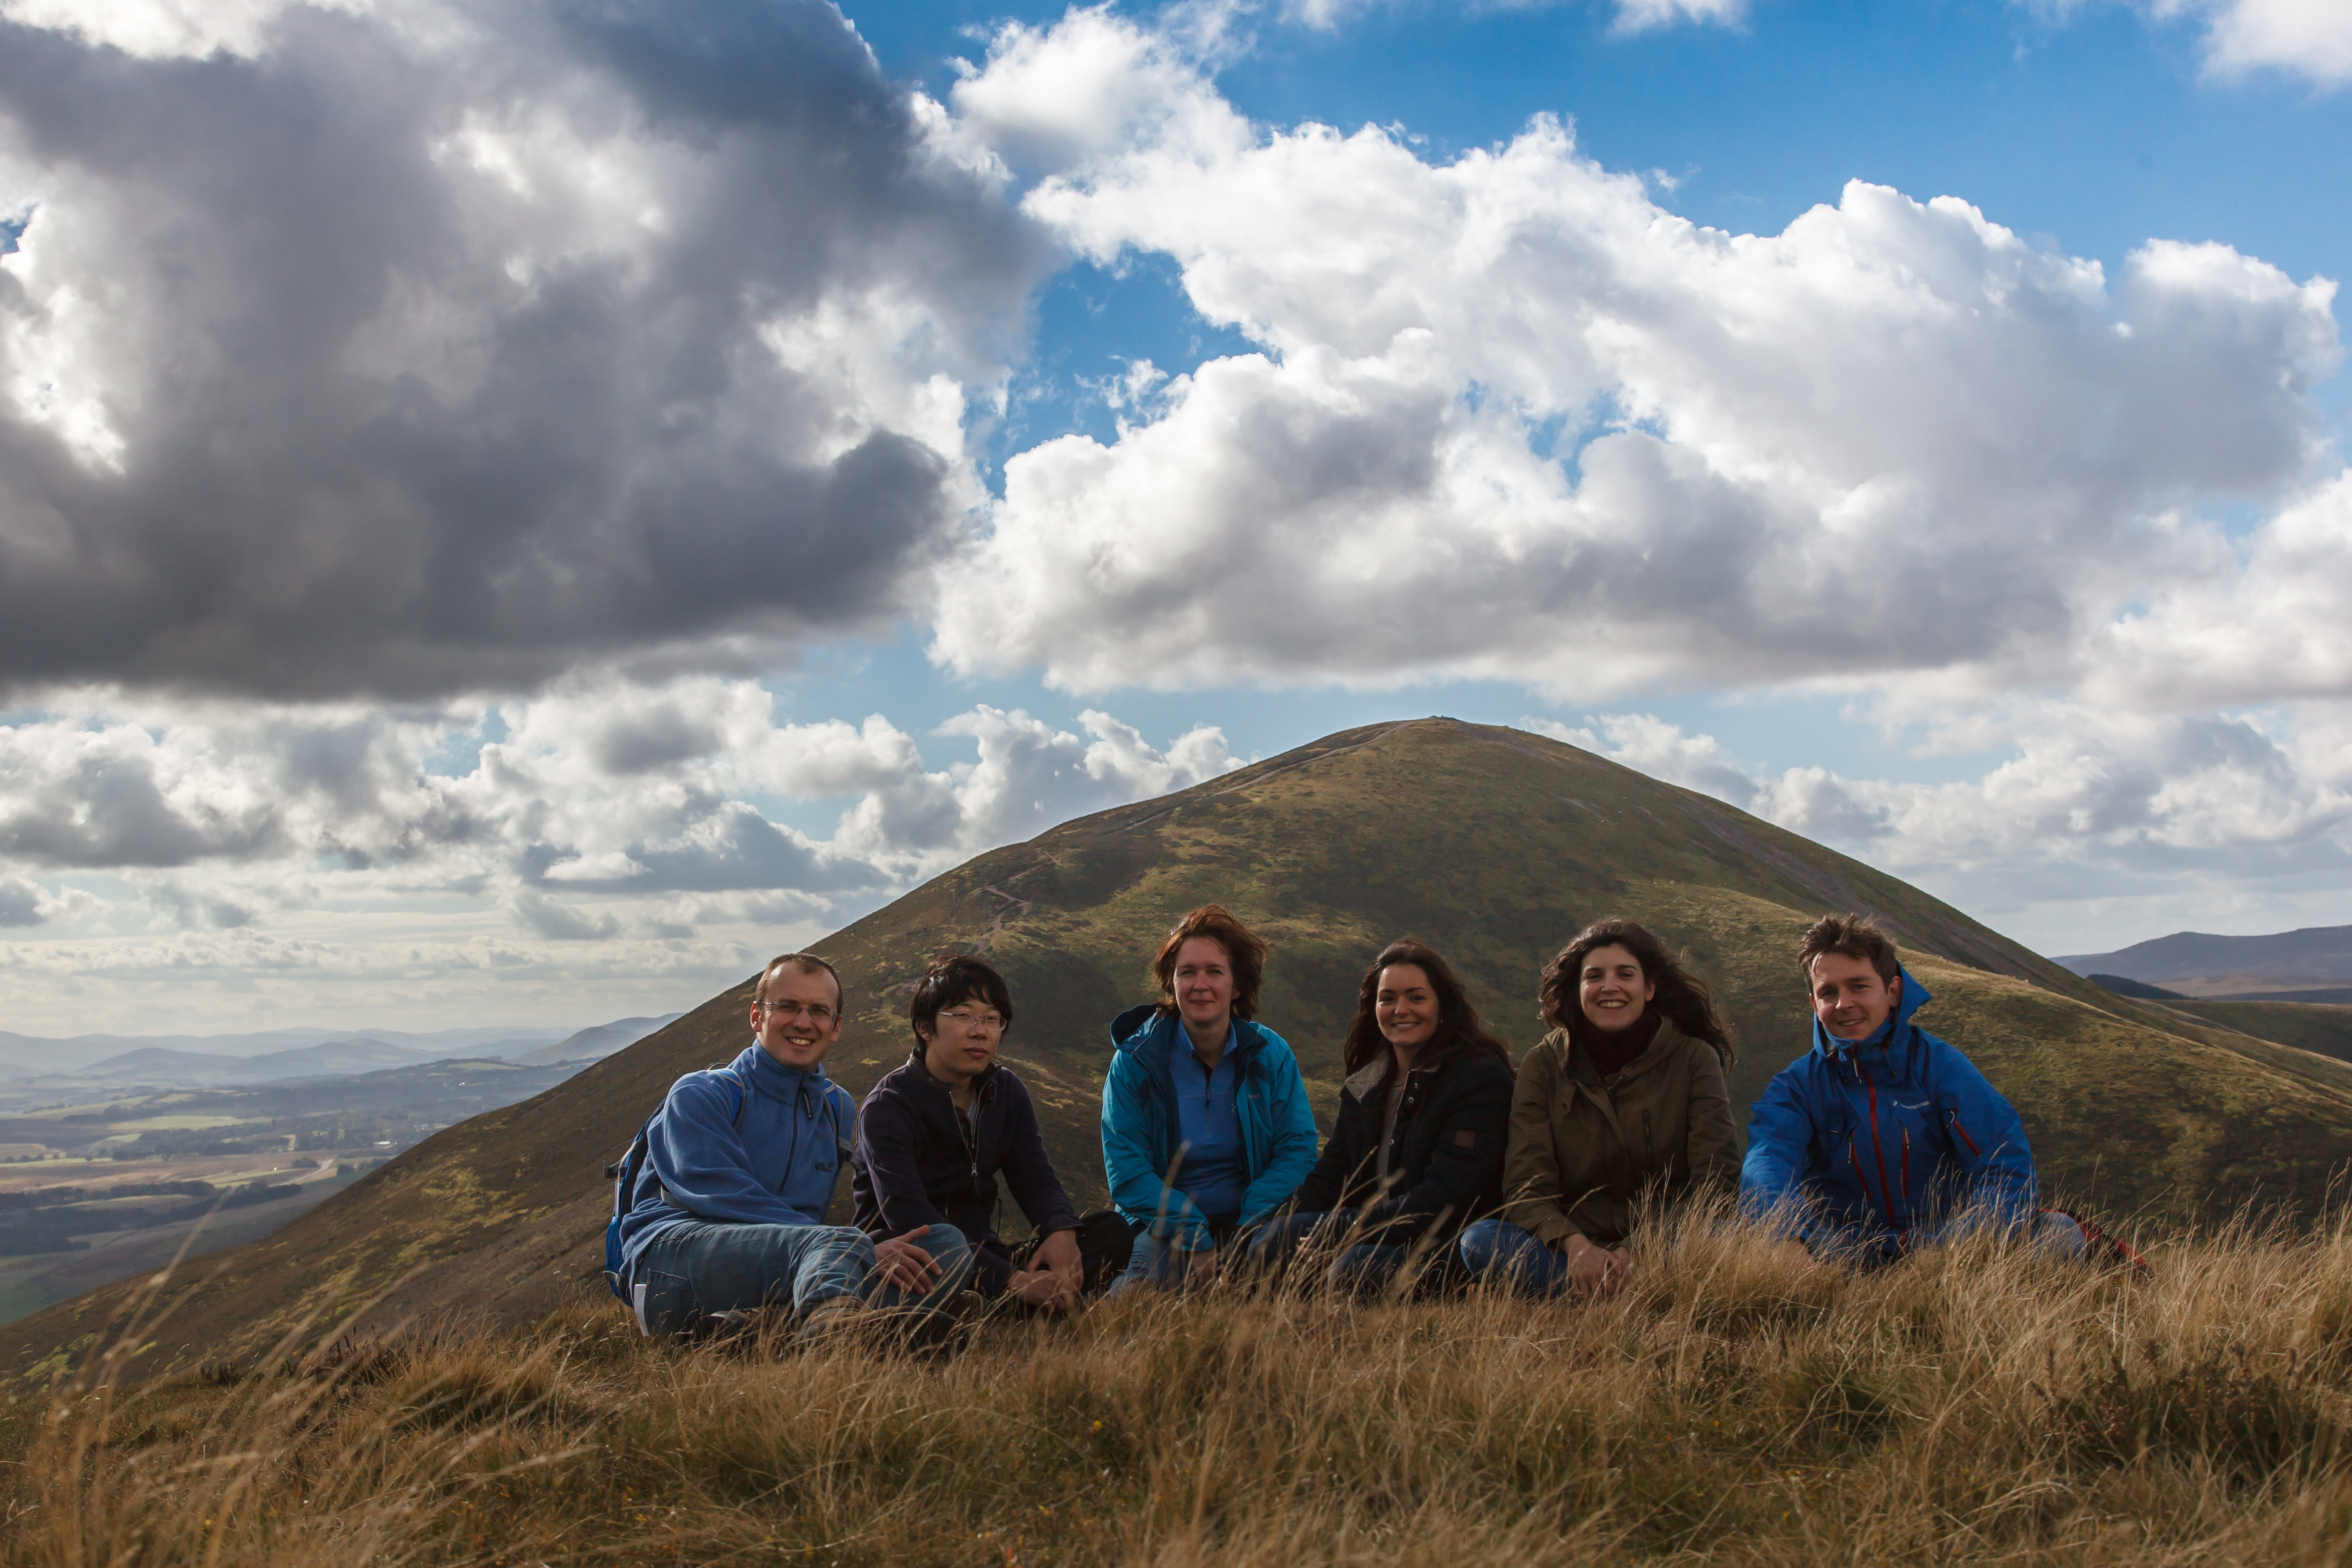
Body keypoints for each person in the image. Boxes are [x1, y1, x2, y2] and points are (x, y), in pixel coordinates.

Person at [615, 952, 977, 1344]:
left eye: (819, 1011)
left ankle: (757, 1331)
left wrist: (853, 1248)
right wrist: (854, 1246)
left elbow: (799, 1233)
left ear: (836, 1027)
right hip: (672, 1262)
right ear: (757, 1016)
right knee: (839, 1242)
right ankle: (836, 1335)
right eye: (786, 1007)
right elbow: (721, 1198)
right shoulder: (702, 1093)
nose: (804, 1022)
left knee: (946, 1246)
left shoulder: (835, 1107)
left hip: (784, 1262)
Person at [1739, 912, 2084, 1267]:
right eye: (1829, 992)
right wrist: (1792, 1236)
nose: (1843, 1004)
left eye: (1859, 986)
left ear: (1892, 991)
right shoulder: (1796, 1086)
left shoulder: (1940, 1067)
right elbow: (1768, 1163)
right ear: (1814, 1004)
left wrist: (1953, 1247)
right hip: (1847, 1252)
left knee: (2058, 1233)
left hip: (1952, 1249)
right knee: (1726, 1237)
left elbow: (2005, 1164)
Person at [1460, 917, 1738, 1298]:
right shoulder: (1544, 1065)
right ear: (1578, 990)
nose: (1610, 987)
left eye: (1626, 974)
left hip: (1670, 1242)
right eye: (1594, 976)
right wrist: (1575, 1247)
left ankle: (1600, 1293)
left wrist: (1639, 1249)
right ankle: (1637, 1294)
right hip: (1573, 1248)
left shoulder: (1693, 1059)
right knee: (1480, 1241)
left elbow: (1714, 1178)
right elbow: (1527, 1184)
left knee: (1724, 1232)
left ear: (1650, 987)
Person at [1251, 939, 1515, 1296]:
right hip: (1372, 1233)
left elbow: (1446, 1199)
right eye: (1387, 998)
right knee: (1267, 1247)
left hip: (1449, 1243)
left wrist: (1343, 1230)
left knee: (1353, 1271)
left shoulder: (1478, 1080)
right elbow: (1329, 1178)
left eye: (1416, 998)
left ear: (1442, 1006)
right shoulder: (1367, 1085)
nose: (1400, 1009)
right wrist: (1263, 1230)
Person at [851, 955, 1091, 1312]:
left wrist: (1060, 1232)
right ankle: (1000, 1298)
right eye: (963, 1016)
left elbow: (1035, 1176)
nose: (981, 1031)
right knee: (939, 1249)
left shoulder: (1005, 1091)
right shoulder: (888, 1107)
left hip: (986, 1251)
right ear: (924, 1027)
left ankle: (1001, 1298)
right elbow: (909, 1217)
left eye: (993, 1019)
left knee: (1107, 1232)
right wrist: (1012, 1280)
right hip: (913, 1256)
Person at [1100, 904, 1319, 1293]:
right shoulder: (1135, 1061)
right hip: (1163, 1227)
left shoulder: (1271, 1053)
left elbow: (1297, 1149)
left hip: (1253, 1223)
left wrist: (1246, 1231)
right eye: (1187, 972)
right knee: (1137, 1300)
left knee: (1289, 1295)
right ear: (1172, 982)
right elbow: (1127, 1170)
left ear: (1236, 986)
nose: (1200, 984)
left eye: (1215, 972)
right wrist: (1193, 1236)